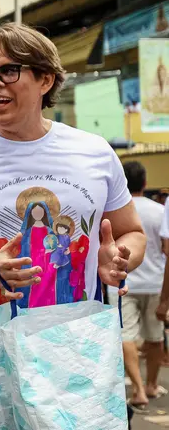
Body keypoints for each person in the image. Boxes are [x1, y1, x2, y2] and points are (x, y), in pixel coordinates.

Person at [0, 23, 146, 430]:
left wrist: (120, 257)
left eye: (8, 71)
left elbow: (132, 233)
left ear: (45, 79)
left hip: (77, 352)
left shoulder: (94, 152)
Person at [107, 161, 167, 410]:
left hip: (122, 283)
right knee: (155, 337)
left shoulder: (112, 212)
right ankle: (152, 384)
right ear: (144, 183)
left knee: (126, 335)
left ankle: (138, 389)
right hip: (155, 283)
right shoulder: (159, 210)